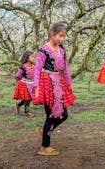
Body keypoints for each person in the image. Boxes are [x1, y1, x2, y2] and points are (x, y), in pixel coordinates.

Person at [33, 23, 75, 156]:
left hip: (59, 85)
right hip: (47, 85)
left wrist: (69, 84)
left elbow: (66, 69)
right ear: (52, 33)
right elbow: (37, 69)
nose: (62, 39)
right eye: (60, 35)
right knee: (52, 116)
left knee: (63, 115)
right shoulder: (43, 50)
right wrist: (36, 87)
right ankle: (45, 147)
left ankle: (44, 133)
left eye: (64, 36)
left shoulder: (61, 51)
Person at [13, 50, 35, 116]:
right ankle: (27, 112)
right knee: (27, 99)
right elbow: (18, 75)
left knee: (29, 98)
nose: (33, 58)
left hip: (32, 84)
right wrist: (20, 81)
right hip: (24, 84)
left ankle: (18, 105)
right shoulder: (23, 66)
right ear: (27, 58)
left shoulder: (34, 65)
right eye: (32, 57)